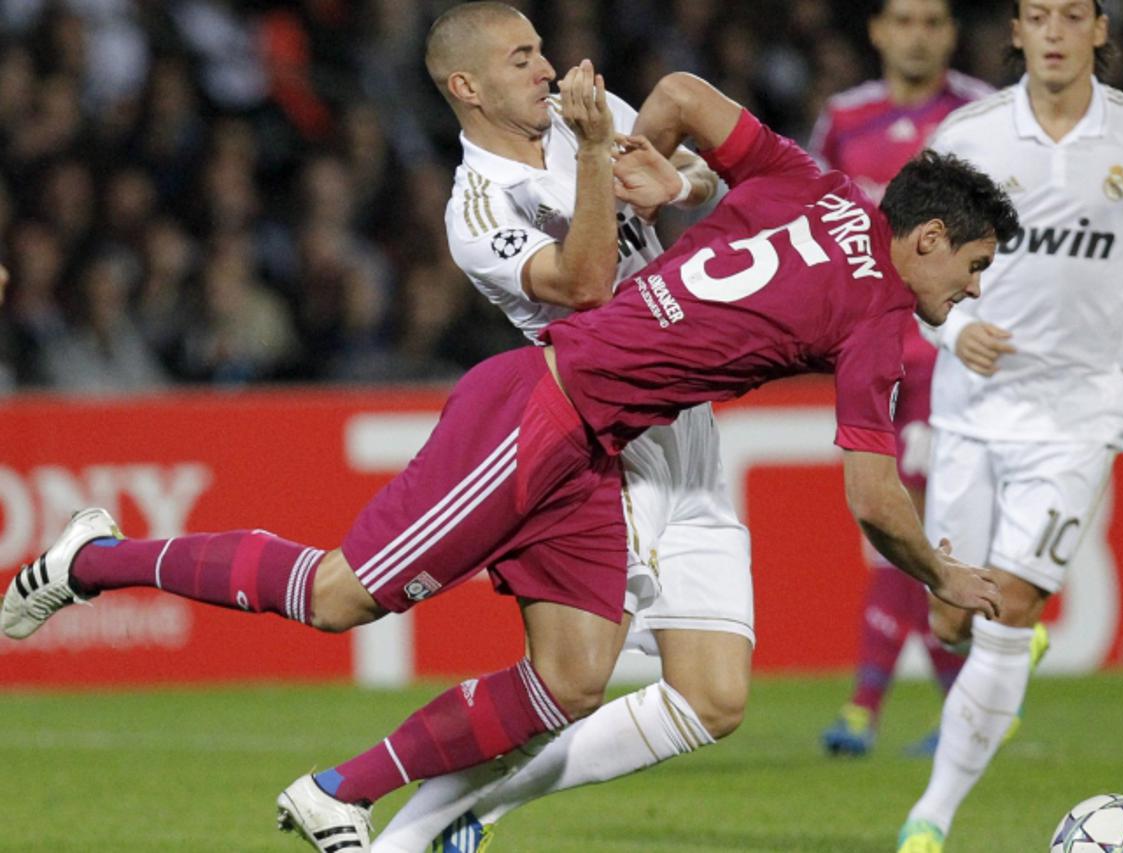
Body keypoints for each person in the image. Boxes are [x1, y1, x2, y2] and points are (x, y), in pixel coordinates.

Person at [2, 71, 1013, 853]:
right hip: (543, 413)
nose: (965, 296)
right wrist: (948, 574)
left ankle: (341, 793)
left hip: (598, 445)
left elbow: (679, 96)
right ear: (923, 239)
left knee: (571, 679)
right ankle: (92, 561)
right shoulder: (877, 311)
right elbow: (873, 498)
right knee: (341, 597)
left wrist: (660, 164)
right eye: (970, 271)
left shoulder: (818, 185)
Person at [371, 4, 747, 851]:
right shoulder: (476, 209)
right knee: (569, 680)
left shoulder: (596, 116)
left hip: (690, 427)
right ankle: (398, 829)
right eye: (521, 58)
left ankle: (475, 811)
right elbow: (581, 283)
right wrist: (592, 158)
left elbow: (705, 171)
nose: (548, 67)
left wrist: (677, 184)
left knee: (714, 700)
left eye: (541, 48)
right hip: (611, 445)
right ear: (467, 87)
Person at [895, 2, 1123, 851]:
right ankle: (1009, 638)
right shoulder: (971, 134)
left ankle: (930, 816)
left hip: (1086, 405)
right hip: (974, 408)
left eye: (1072, 14)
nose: (1054, 31)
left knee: (1006, 602)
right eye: (1038, 15)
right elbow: (908, 261)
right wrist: (955, 330)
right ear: (1015, 31)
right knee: (950, 618)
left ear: (1100, 31)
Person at [809, 0, 992, 759]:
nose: (918, 34)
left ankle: (873, 706)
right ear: (878, 31)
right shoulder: (844, 119)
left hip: (952, 358)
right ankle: (958, 710)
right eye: (904, 20)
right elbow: (815, 216)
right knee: (903, 524)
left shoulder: (984, 114)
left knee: (916, 522)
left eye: (933, 21)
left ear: (950, 34)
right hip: (873, 348)